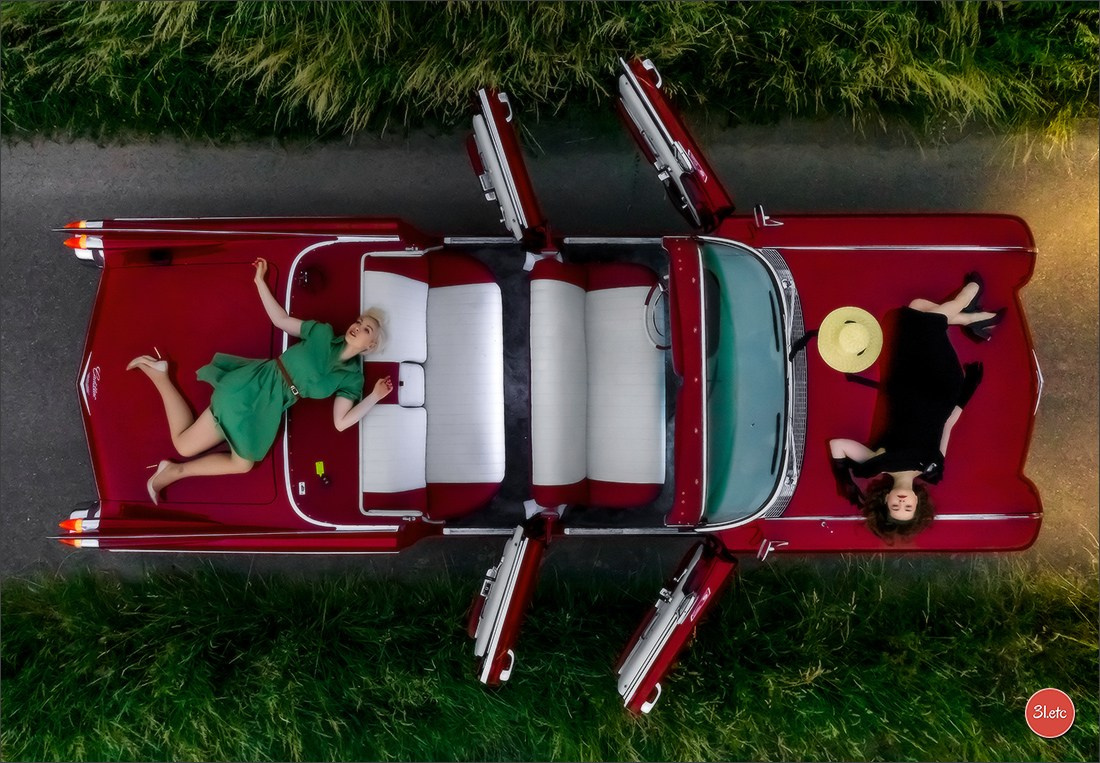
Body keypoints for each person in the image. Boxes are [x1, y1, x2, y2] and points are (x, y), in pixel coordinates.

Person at [128, 257, 394, 504]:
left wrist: (374, 397)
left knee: (230, 460)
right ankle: (164, 400)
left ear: (369, 346)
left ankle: (163, 392)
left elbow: (340, 423)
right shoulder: (322, 333)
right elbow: (281, 320)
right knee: (191, 448)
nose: (357, 327)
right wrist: (259, 282)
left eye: (366, 329)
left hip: (271, 407)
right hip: (254, 384)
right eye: (359, 321)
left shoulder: (351, 379)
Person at [828, 273, 1004, 541]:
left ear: (885, 499)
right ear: (917, 502)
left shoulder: (877, 463)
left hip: (908, 377)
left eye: (895, 506)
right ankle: (969, 297)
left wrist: (844, 479)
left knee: (916, 308)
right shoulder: (932, 469)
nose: (901, 502)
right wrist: (965, 394)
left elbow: (837, 444)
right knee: (926, 319)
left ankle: (972, 319)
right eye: (907, 507)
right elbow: (946, 426)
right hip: (942, 386)